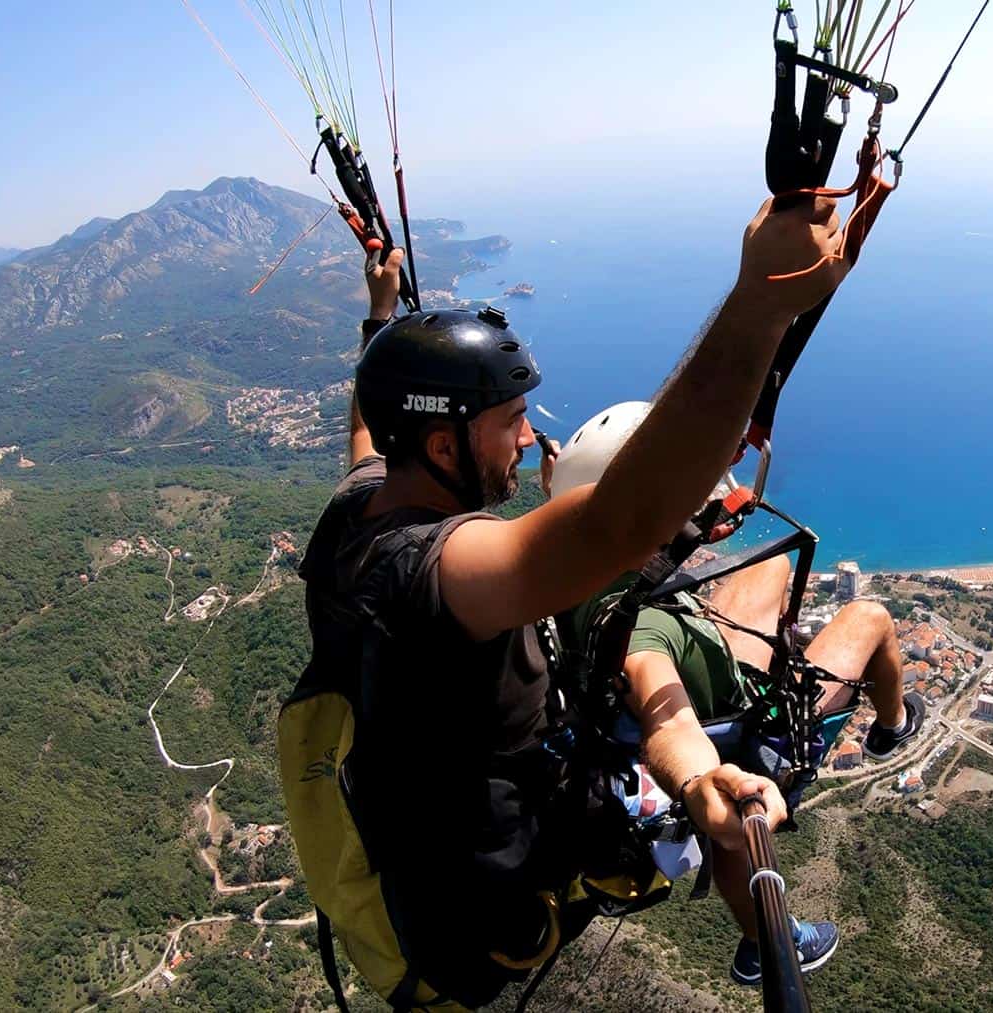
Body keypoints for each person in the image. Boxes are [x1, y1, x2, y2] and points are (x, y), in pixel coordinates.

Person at [293, 195, 857, 1009]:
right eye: (512, 421)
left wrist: (381, 320)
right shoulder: (433, 573)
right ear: (444, 446)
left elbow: (364, 434)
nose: (529, 440)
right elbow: (618, 523)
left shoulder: (361, 503)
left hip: (424, 878)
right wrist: (760, 303)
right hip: (489, 917)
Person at [548, 401, 927, 985]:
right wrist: (702, 781)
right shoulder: (640, 641)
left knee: (771, 568)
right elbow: (668, 720)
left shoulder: (564, 568)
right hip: (736, 727)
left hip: (699, 665)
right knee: (870, 617)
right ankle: (892, 725)